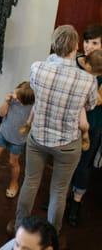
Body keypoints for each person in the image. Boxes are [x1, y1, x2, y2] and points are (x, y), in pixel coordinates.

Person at [13, 25, 98, 233]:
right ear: (76, 46)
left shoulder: (37, 67)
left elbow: (35, 90)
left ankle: (19, 229)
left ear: (53, 44)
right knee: (59, 192)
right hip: (68, 144)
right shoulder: (88, 79)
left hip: (38, 136)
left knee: (30, 183)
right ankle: (53, 237)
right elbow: (91, 105)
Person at [67, 23, 102, 226]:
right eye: (87, 41)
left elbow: (98, 101)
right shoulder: (75, 61)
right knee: (66, 160)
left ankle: (76, 202)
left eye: (95, 42)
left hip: (94, 123)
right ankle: (61, 197)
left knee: (83, 164)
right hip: (70, 121)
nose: (88, 46)